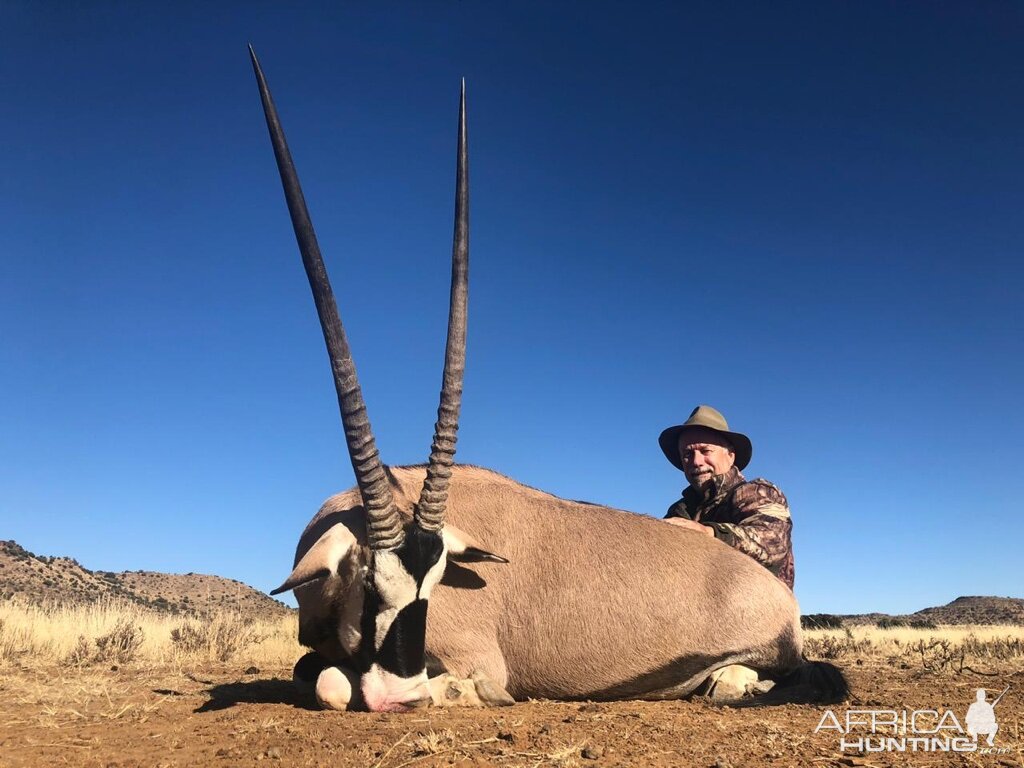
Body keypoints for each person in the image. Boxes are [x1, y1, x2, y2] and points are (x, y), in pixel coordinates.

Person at [659, 405, 794, 589]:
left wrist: (708, 533)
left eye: (705, 451)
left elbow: (773, 544)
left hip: (758, 610)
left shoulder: (758, 492)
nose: (696, 462)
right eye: (687, 454)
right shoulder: (679, 510)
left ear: (730, 456)